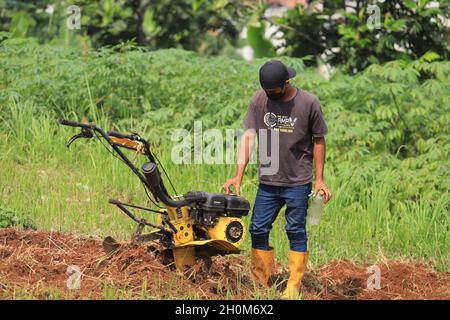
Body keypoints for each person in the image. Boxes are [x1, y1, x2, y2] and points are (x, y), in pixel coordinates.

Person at [223, 60, 332, 299]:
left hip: (297, 181)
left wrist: (320, 180)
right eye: (266, 91)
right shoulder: (259, 100)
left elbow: (319, 140)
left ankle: (293, 286)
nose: (269, 95)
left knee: (295, 230)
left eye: (274, 91)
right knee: (258, 228)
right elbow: (248, 138)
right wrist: (237, 176)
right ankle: (260, 282)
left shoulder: (308, 103)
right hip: (268, 182)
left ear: (286, 82)